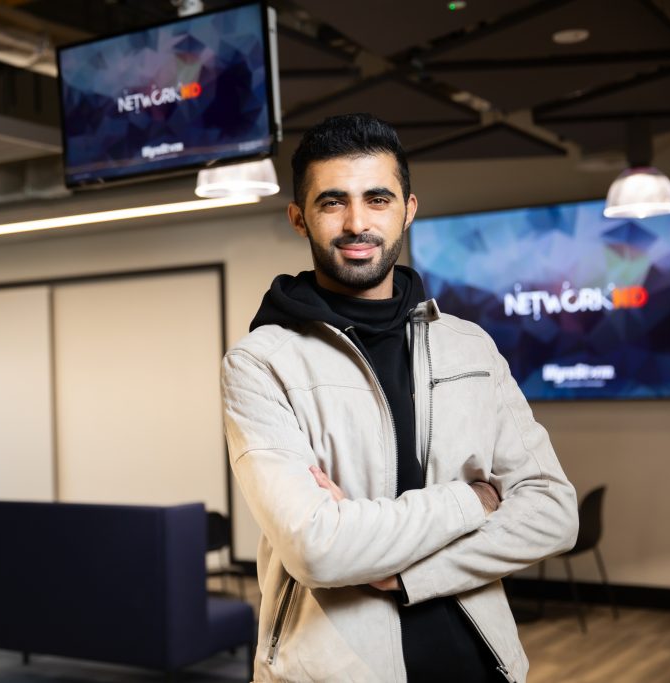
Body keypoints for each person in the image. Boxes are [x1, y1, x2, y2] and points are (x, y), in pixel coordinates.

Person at [221, 113, 579, 683]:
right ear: (299, 218)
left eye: (378, 199)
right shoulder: (262, 362)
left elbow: (555, 515)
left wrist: (405, 576)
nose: (357, 222)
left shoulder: (469, 347)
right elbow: (317, 549)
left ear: (408, 209)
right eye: (332, 202)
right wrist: (474, 500)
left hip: (483, 665)